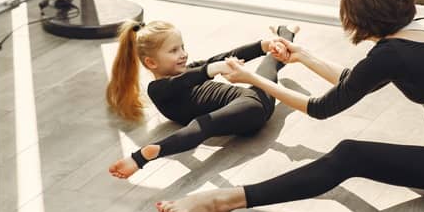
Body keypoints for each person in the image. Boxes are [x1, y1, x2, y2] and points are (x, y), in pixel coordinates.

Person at [154, 0, 424, 212]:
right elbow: (354, 82)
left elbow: (321, 108)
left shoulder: (392, 53)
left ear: (359, 16)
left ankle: (224, 201)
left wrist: (253, 78)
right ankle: (228, 200)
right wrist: (302, 57)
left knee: (351, 155)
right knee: (359, 154)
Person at [106, 19, 299, 178]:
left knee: (271, 63)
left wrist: (263, 46)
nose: (183, 54)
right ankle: (144, 155)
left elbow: (223, 57)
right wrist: (213, 69)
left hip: (251, 103)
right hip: (245, 112)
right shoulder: (158, 89)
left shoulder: (191, 69)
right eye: (174, 51)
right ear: (151, 62)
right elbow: (185, 80)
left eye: (182, 47)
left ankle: (283, 35)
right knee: (202, 125)